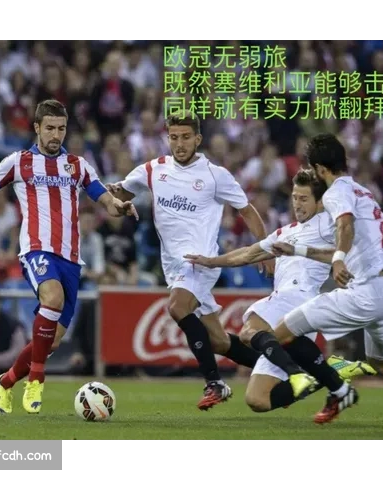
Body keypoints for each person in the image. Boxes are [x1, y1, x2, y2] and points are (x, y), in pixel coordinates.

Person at [242, 133, 383, 435]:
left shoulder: (335, 193)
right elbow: (371, 239)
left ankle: (337, 387)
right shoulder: (363, 192)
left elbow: (344, 226)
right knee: (382, 363)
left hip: (366, 292)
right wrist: (301, 250)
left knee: (281, 333)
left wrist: (338, 260)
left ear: (320, 168)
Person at [0, 99, 138, 415]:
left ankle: (6, 382)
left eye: (61, 128)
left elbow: (104, 200)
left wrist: (119, 207)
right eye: (50, 128)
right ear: (36, 128)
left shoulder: (78, 165)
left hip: (70, 259)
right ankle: (36, 379)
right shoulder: (18, 162)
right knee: (52, 298)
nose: (55, 135)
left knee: (51, 341)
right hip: (36, 250)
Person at [107, 112, 279, 410]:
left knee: (177, 307)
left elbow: (247, 211)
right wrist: (114, 201)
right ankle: (282, 369)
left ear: (197, 139)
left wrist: (265, 250)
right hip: (173, 267)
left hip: (201, 261)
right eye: (174, 137)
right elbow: (119, 193)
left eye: (186, 137)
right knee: (219, 341)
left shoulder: (215, 175)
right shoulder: (153, 169)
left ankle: (214, 383)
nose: (180, 143)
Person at [185, 168, 377, 413]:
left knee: (249, 330)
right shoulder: (286, 231)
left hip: (298, 297)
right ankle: (327, 372)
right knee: (258, 400)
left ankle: (296, 374)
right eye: (295, 197)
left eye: (304, 199)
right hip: (289, 305)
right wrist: (211, 262)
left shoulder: (326, 224)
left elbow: (359, 240)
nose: (297, 204)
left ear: (320, 202)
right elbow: (249, 253)